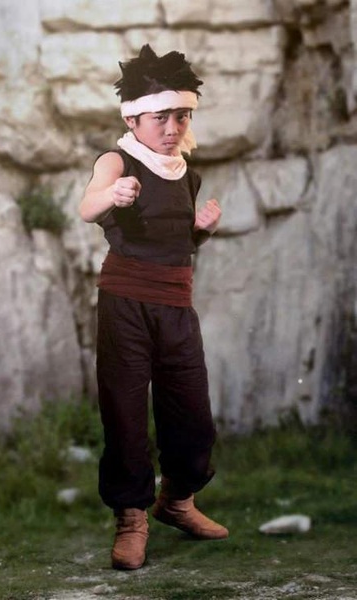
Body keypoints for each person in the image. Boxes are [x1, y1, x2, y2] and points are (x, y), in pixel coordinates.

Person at [79, 44, 228, 571]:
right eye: (160, 116)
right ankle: (131, 519)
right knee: (124, 414)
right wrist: (112, 196)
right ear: (133, 118)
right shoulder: (116, 160)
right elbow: (87, 206)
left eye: (180, 116)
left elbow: (176, 242)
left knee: (193, 415)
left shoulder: (186, 171)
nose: (171, 127)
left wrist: (201, 232)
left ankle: (177, 502)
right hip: (125, 303)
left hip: (176, 304)